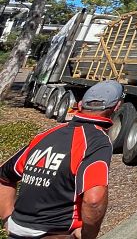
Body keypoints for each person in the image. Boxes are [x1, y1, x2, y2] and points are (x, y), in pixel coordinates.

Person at [0, 80, 124, 239]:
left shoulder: (45, 136)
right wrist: (87, 236)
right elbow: (94, 201)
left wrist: (7, 219)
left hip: (16, 231)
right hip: (56, 233)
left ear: (80, 105)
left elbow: (4, 175)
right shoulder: (97, 141)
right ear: (117, 107)